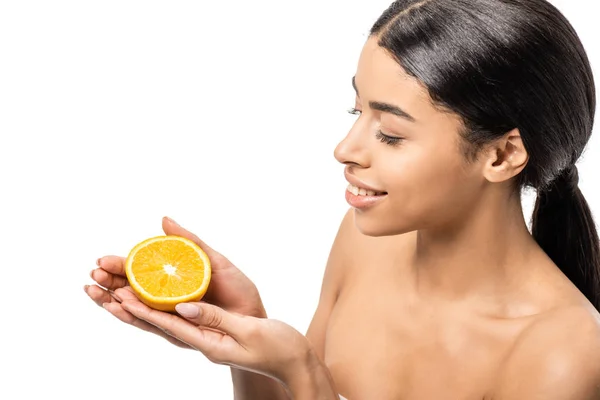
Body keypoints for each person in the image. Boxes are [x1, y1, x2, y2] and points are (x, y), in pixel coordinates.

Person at [85, 0, 600, 398]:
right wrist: (249, 343)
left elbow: (308, 383)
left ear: (502, 155)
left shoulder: (564, 356)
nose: (344, 150)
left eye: (391, 134)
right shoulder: (365, 242)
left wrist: (301, 369)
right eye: (356, 113)